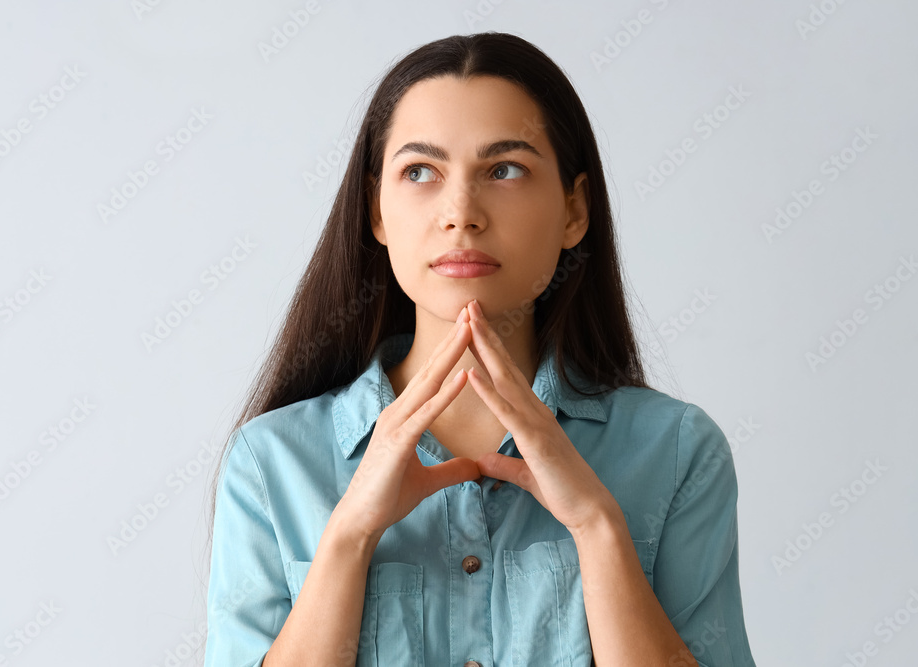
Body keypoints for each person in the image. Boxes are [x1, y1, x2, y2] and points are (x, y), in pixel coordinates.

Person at [203, 31, 756, 667]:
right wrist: (350, 535)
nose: (461, 212)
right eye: (419, 172)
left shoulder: (678, 453)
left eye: (505, 170)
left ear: (575, 210)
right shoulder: (270, 463)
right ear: (376, 212)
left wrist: (599, 528)